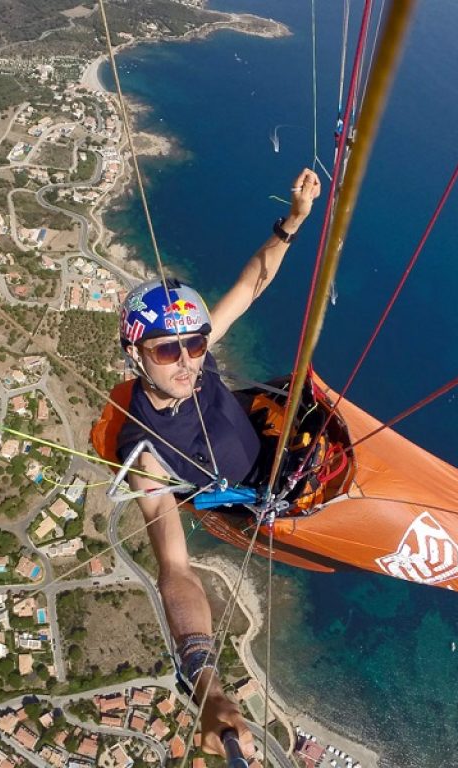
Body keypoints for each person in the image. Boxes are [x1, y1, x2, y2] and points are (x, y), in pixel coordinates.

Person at [116, 168, 321, 758]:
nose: (185, 361)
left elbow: (249, 286)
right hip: (251, 497)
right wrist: (206, 682)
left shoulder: (196, 361)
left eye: (195, 345)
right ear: (137, 353)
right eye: (166, 350)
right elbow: (174, 569)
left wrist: (293, 221)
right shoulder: (144, 452)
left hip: (270, 448)